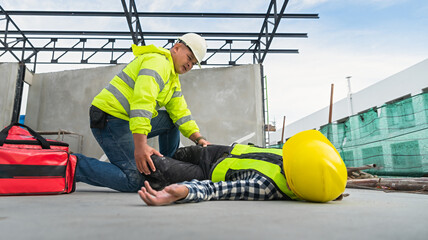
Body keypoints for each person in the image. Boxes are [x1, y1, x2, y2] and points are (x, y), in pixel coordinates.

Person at [74, 33, 210, 192]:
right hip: (110, 119)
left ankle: (167, 170)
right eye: (189, 57)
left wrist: (199, 138)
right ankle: (75, 165)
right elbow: (142, 102)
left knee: (172, 121)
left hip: (125, 119)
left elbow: (180, 112)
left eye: (193, 63)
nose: (189, 65)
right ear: (176, 48)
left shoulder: (173, 80)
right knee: (135, 180)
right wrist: (141, 146)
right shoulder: (157, 63)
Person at [138, 130, 348, 206]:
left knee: (153, 165)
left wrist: (185, 191)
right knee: (178, 154)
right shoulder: (293, 157)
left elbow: (217, 190)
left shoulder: (267, 187)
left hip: (205, 174)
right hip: (217, 151)